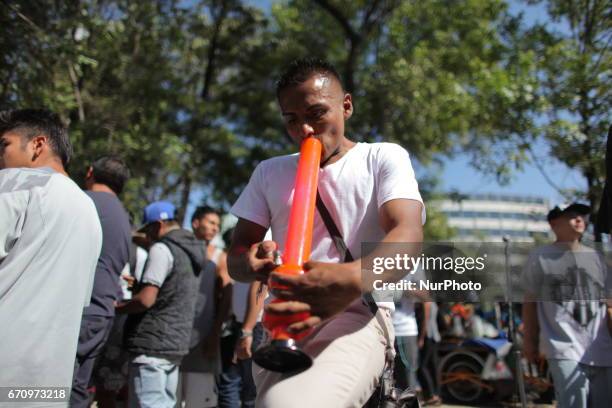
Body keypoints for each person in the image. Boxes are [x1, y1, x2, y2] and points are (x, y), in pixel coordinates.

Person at [228, 58, 425, 407]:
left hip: (357, 316)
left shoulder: (381, 158)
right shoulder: (269, 172)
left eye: (316, 114)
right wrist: (251, 261)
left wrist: (350, 279)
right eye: (292, 120)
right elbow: (237, 256)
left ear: (346, 106)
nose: (304, 129)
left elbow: (407, 235)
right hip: (281, 322)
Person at [0, 109, 102, 399]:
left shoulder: (15, 182)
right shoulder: (87, 210)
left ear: (37, 145)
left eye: (4, 145)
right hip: (50, 381)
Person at [523, 203, 612, 408]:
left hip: (602, 349)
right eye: (572, 216)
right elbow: (529, 303)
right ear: (554, 223)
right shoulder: (540, 257)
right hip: (563, 347)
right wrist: (530, 342)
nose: (580, 220)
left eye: (582, 216)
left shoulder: (597, 258)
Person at [117, 201, 204, 408]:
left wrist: (117, 307)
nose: (148, 237)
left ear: (157, 225)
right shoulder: (191, 251)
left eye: (148, 231)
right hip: (175, 344)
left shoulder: (162, 249)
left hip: (151, 344)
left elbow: (147, 299)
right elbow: (172, 290)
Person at [70, 157, 132, 407]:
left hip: (76, 309)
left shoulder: (82, 201)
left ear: (89, 172)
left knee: (48, 386)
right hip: (102, 310)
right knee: (77, 385)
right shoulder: (124, 215)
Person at [178, 206, 232, 408]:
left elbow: (227, 297)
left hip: (203, 338)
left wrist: (215, 334)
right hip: (174, 336)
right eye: (211, 223)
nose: (215, 228)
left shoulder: (219, 257)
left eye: (217, 225)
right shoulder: (179, 251)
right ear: (195, 223)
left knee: (198, 400)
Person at [218, 228, 267, 408]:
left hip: (254, 328)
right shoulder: (243, 258)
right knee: (233, 384)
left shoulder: (260, 251)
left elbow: (259, 291)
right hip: (241, 325)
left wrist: (246, 332)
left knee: (250, 389)